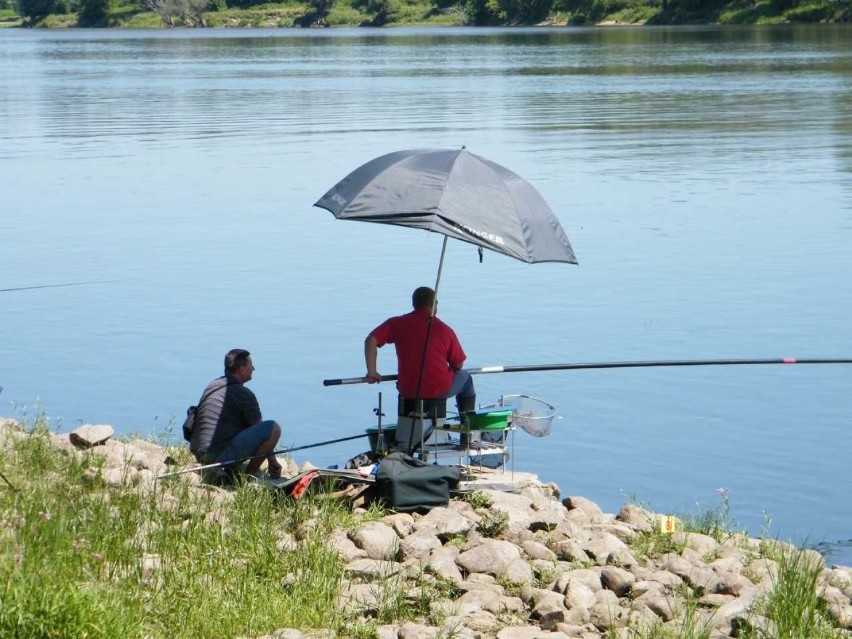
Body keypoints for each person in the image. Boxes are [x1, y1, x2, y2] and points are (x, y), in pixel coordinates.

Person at [364, 286, 476, 416]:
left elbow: (370, 340)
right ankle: (467, 428)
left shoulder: (397, 323)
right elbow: (458, 364)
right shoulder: (444, 330)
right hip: (439, 388)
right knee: (466, 379)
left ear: (413, 304)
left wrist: (372, 372)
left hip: (407, 389)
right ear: (435, 304)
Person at [189, 349, 283, 480]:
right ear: (241, 369)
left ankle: (218, 467)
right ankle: (249, 476)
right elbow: (261, 429)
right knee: (274, 428)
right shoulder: (245, 395)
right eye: (250, 364)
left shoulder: (212, 385)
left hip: (198, 452)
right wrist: (273, 462)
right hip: (218, 455)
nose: (253, 368)